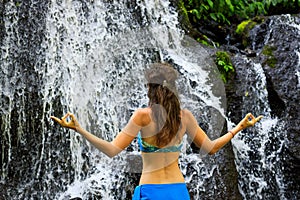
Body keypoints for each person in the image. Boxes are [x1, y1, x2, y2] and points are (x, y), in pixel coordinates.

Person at [50, 62, 263, 200]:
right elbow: (211, 148)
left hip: (151, 192)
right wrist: (239, 128)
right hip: (178, 192)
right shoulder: (185, 117)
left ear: (150, 89)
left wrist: (79, 129)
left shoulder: (142, 116)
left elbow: (112, 150)